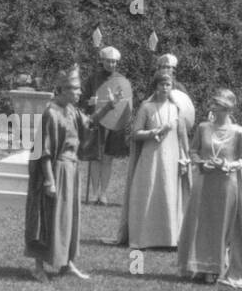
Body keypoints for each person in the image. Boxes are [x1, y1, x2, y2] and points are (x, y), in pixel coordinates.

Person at [178, 88, 242, 288]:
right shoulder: (203, 128)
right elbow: (192, 151)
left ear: (226, 108)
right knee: (201, 223)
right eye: (212, 104)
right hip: (204, 182)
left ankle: (215, 268)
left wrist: (229, 165)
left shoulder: (238, 132)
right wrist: (201, 162)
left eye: (216, 104)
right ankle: (198, 265)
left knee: (220, 226)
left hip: (227, 184)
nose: (212, 107)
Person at [25, 66, 91, 281]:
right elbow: (43, 152)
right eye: (76, 89)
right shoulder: (51, 113)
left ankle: (67, 263)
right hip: (57, 170)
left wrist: (109, 106)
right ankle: (38, 267)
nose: (79, 93)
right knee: (49, 217)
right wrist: (49, 182)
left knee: (69, 217)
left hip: (72, 168)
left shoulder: (71, 110)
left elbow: (88, 124)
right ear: (63, 90)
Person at [124, 70, 191, 249]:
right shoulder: (147, 108)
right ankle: (144, 238)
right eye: (161, 84)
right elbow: (135, 133)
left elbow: (182, 135)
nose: (164, 88)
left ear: (172, 87)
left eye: (168, 85)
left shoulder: (176, 109)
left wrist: (185, 157)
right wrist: (153, 132)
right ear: (155, 86)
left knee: (169, 194)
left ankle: (169, 239)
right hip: (151, 158)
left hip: (172, 158)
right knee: (149, 194)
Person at [81, 46, 133, 205]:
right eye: (108, 61)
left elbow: (127, 103)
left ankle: (103, 193)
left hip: (114, 122)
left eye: (114, 62)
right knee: (95, 157)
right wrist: (89, 102)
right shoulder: (93, 79)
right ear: (102, 61)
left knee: (108, 158)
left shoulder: (122, 80)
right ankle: (94, 192)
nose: (111, 64)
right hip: (97, 121)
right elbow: (82, 99)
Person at [155, 53, 197, 131]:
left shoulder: (179, 87)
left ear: (173, 70)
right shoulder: (154, 86)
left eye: (168, 67)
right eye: (162, 67)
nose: (165, 70)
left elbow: (186, 109)